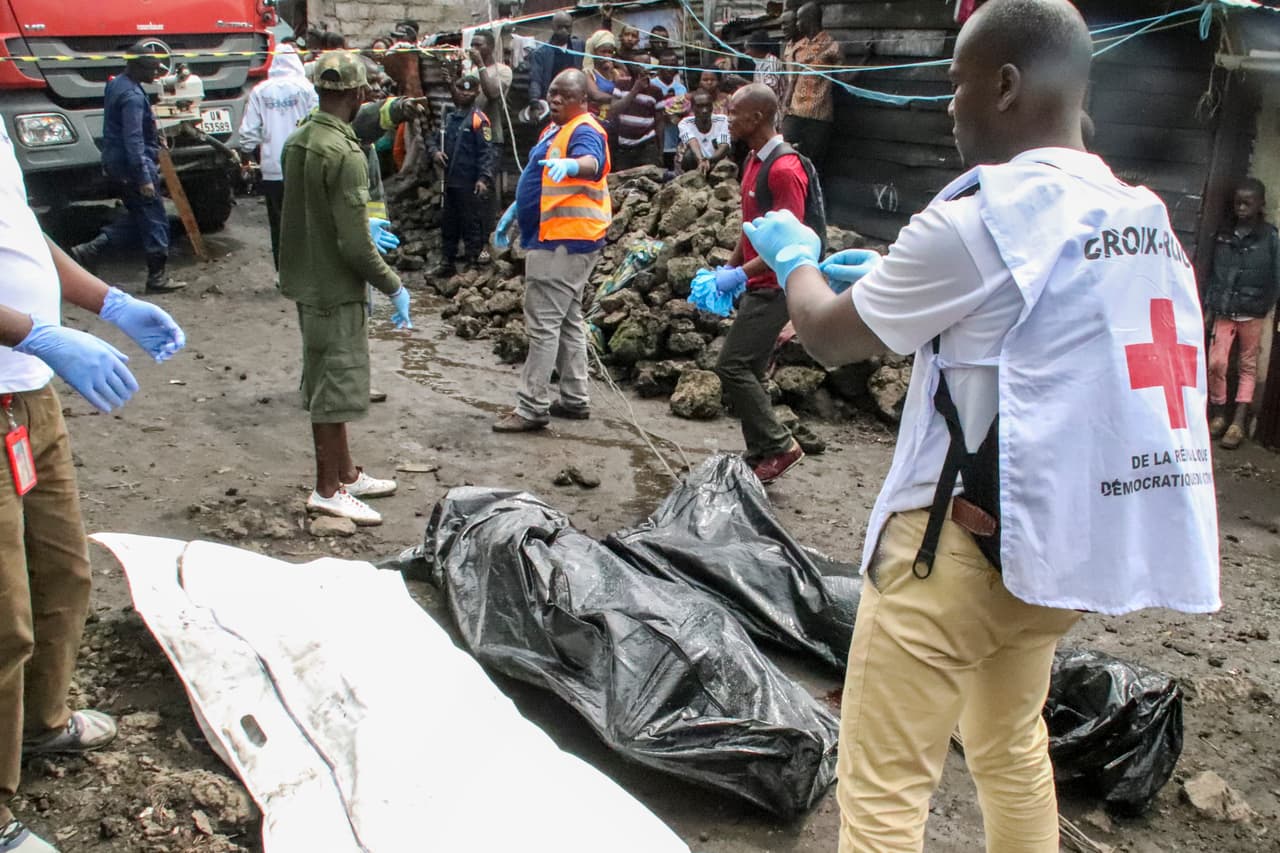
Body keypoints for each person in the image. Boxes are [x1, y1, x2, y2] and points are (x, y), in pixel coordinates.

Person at [742, 1, 1220, 849]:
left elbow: (825, 336)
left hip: (952, 563)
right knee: (1010, 745)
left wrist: (797, 260)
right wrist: (892, 272)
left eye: (958, 86)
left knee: (883, 795)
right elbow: (1025, 320)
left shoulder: (979, 219)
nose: (949, 108)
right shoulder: (1134, 213)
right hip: (1050, 554)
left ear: (1005, 84)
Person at [0, 119, 185, 853]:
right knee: (2, 617)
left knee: (63, 573)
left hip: (30, 398)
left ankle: (39, 725)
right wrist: (34, 332)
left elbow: (22, 234)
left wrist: (106, 302)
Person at [278, 51, 411, 526]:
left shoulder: (299, 141)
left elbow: (304, 214)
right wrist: (393, 286)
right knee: (334, 389)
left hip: (307, 278)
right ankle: (327, 489)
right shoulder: (346, 152)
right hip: (335, 287)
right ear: (359, 95)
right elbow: (355, 245)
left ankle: (347, 474)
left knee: (323, 379)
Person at [491, 69, 610, 432]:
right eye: (552, 93)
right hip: (559, 236)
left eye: (564, 95)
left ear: (582, 100)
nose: (555, 99)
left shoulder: (585, 129)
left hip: (564, 240)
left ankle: (531, 407)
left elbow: (593, 163)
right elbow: (538, 175)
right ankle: (575, 398)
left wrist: (574, 165)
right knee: (568, 318)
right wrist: (516, 209)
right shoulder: (554, 130)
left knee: (543, 322)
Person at [705, 84, 807, 483]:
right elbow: (751, 228)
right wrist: (728, 269)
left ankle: (781, 446)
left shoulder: (784, 169)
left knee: (731, 366)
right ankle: (762, 452)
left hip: (776, 286)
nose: (727, 120)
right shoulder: (753, 161)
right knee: (750, 367)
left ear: (758, 118)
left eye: (733, 114)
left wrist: (741, 273)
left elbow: (791, 240)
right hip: (756, 281)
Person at [68, 43, 181, 294]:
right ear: (137, 67)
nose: (156, 74)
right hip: (133, 167)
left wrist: (152, 135)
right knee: (155, 220)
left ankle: (91, 249)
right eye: (152, 69)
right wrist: (144, 177)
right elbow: (133, 139)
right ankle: (156, 278)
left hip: (116, 163)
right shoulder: (132, 97)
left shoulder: (116, 84)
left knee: (138, 216)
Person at [1203, 177, 1280, 450]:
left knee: (1248, 365)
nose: (1241, 207)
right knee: (1217, 363)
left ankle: (1238, 420)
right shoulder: (1223, 234)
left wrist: (1264, 305)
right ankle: (1219, 414)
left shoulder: (1269, 236)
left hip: (1253, 312)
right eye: (1237, 202)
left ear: (1260, 204)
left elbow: (1276, 276)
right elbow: (1214, 272)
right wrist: (1210, 304)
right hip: (1224, 309)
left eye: (1248, 202)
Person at [237, 43, 318, 271]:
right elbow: (318, 122)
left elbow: (249, 131)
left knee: (279, 222)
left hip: (273, 167)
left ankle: (284, 272)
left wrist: (246, 157)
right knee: (307, 220)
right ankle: (308, 269)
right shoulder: (306, 88)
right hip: (304, 164)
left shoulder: (261, 91)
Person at [426, 76, 496, 278]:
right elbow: (431, 138)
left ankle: (473, 264)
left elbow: (486, 152)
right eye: (461, 89)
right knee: (449, 223)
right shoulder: (448, 118)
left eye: (469, 90)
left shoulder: (479, 120)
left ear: (476, 93)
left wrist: (483, 178)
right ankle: (447, 262)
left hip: (468, 182)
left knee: (471, 224)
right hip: (449, 181)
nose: (465, 93)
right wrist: (434, 153)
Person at [781, 3, 841, 167]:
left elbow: (844, 78)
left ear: (810, 20)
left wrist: (866, 60)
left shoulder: (831, 46)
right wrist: (785, 105)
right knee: (785, 157)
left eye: (800, 20)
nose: (797, 24)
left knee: (812, 165)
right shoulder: (800, 47)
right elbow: (792, 79)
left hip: (817, 118)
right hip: (794, 112)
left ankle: (810, 193)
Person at [528, 12, 584, 106]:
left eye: (567, 27)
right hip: (552, 102)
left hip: (573, 101)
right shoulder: (541, 53)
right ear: (553, 27)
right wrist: (534, 102)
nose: (564, 30)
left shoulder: (578, 46)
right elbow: (535, 80)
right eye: (560, 27)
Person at [470, 30, 513, 152]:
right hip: (471, 134)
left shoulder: (504, 70)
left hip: (491, 135)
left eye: (478, 45)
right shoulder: (472, 72)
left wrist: (480, 64)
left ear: (491, 47)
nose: (474, 49)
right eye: (472, 45)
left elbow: (492, 93)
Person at [676, 90, 730, 174]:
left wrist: (709, 160)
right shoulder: (685, 123)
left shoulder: (722, 120)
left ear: (712, 106)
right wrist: (700, 160)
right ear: (692, 107)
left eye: (708, 106)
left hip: (715, 160)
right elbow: (692, 142)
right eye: (699, 106)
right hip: (696, 161)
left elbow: (724, 145)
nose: (704, 110)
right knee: (688, 155)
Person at [652, 49, 688, 170]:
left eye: (672, 65)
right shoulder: (651, 85)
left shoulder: (681, 88)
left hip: (675, 142)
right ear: (659, 66)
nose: (669, 69)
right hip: (656, 143)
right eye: (665, 65)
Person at [745, 35, 784, 105]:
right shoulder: (759, 63)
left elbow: (768, 89)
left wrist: (743, 82)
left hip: (772, 109)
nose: (746, 52)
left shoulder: (771, 62)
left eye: (748, 48)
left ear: (757, 48)